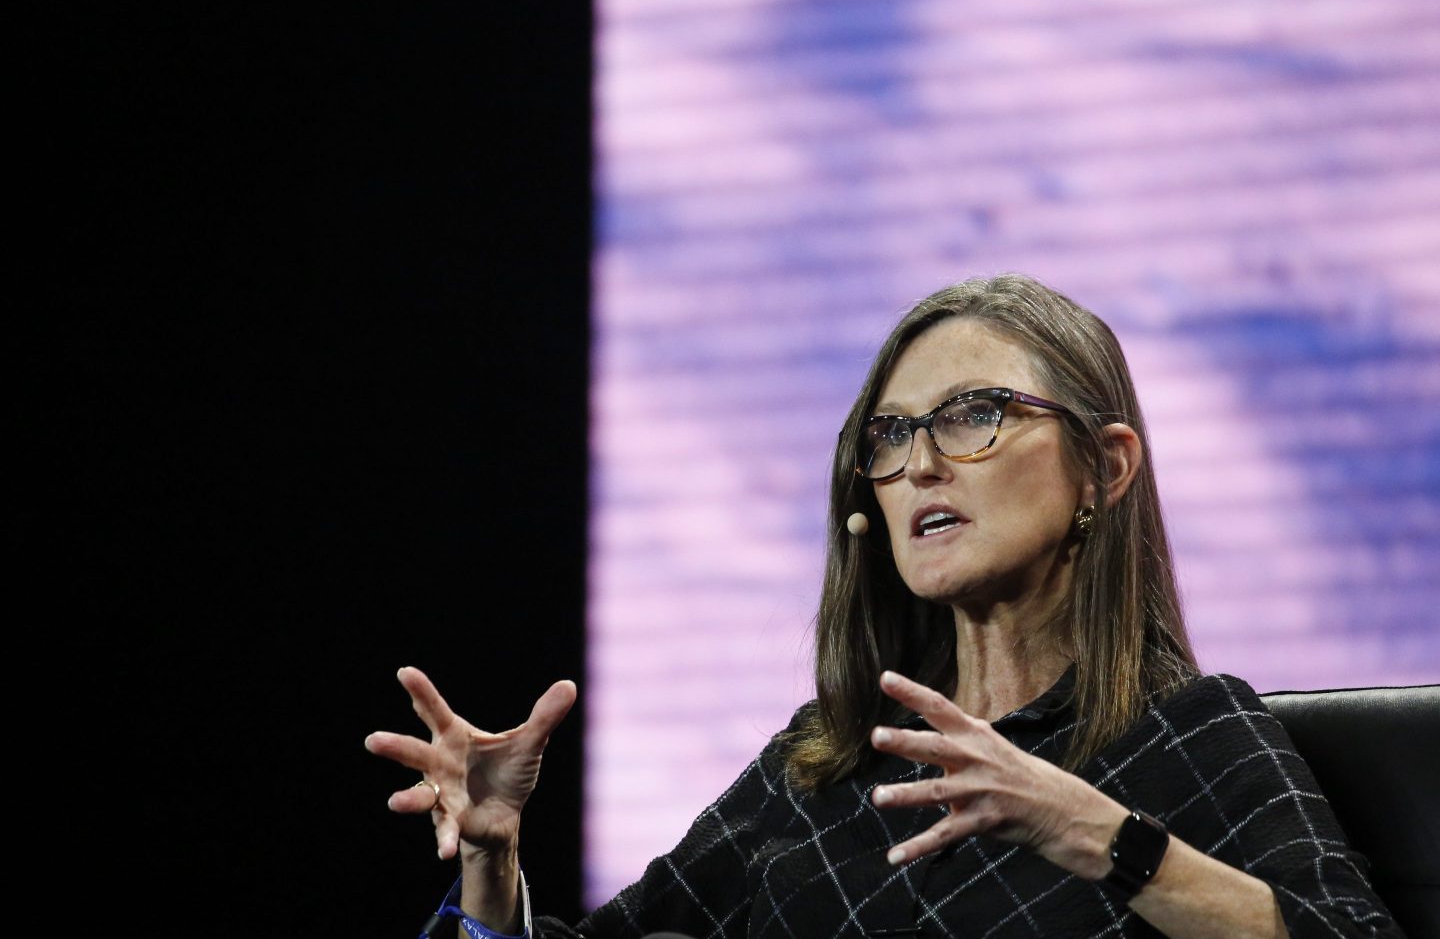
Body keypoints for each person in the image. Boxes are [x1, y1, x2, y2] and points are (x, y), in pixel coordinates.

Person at [366, 275, 1402, 939]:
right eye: (892, 435)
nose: (918, 466)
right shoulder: (822, 767)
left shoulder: (1190, 737)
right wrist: (496, 866)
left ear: (1105, 468)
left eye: (974, 417)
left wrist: (1093, 833)